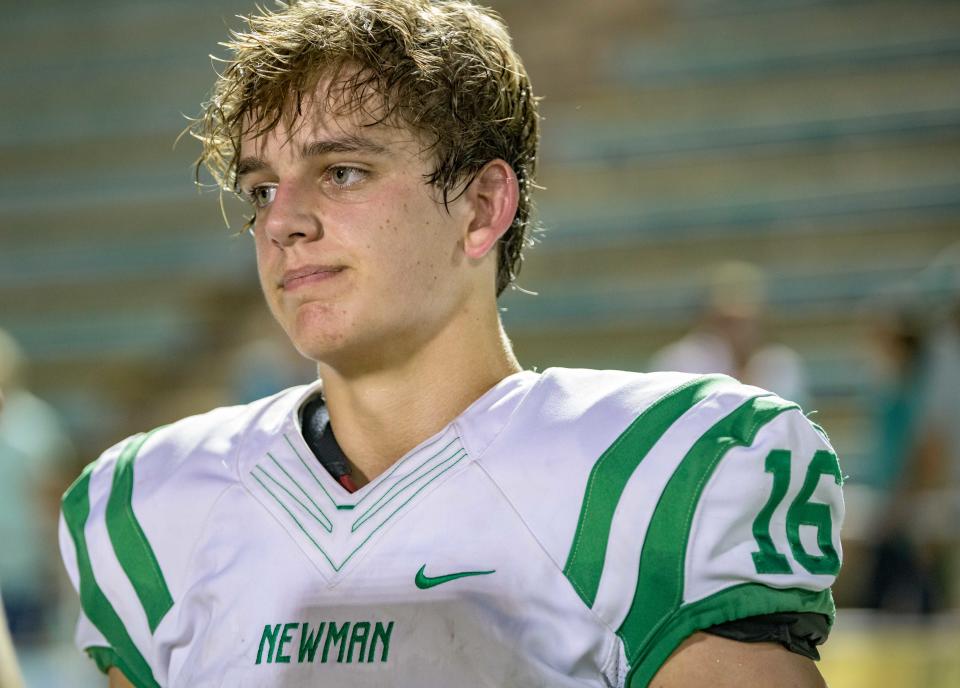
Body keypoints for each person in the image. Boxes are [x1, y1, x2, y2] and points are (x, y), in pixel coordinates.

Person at [58, 2, 844, 686]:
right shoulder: (156, 504)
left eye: (342, 172)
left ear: (481, 206)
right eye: (262, 187)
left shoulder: (650, 475)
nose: (281, 221)